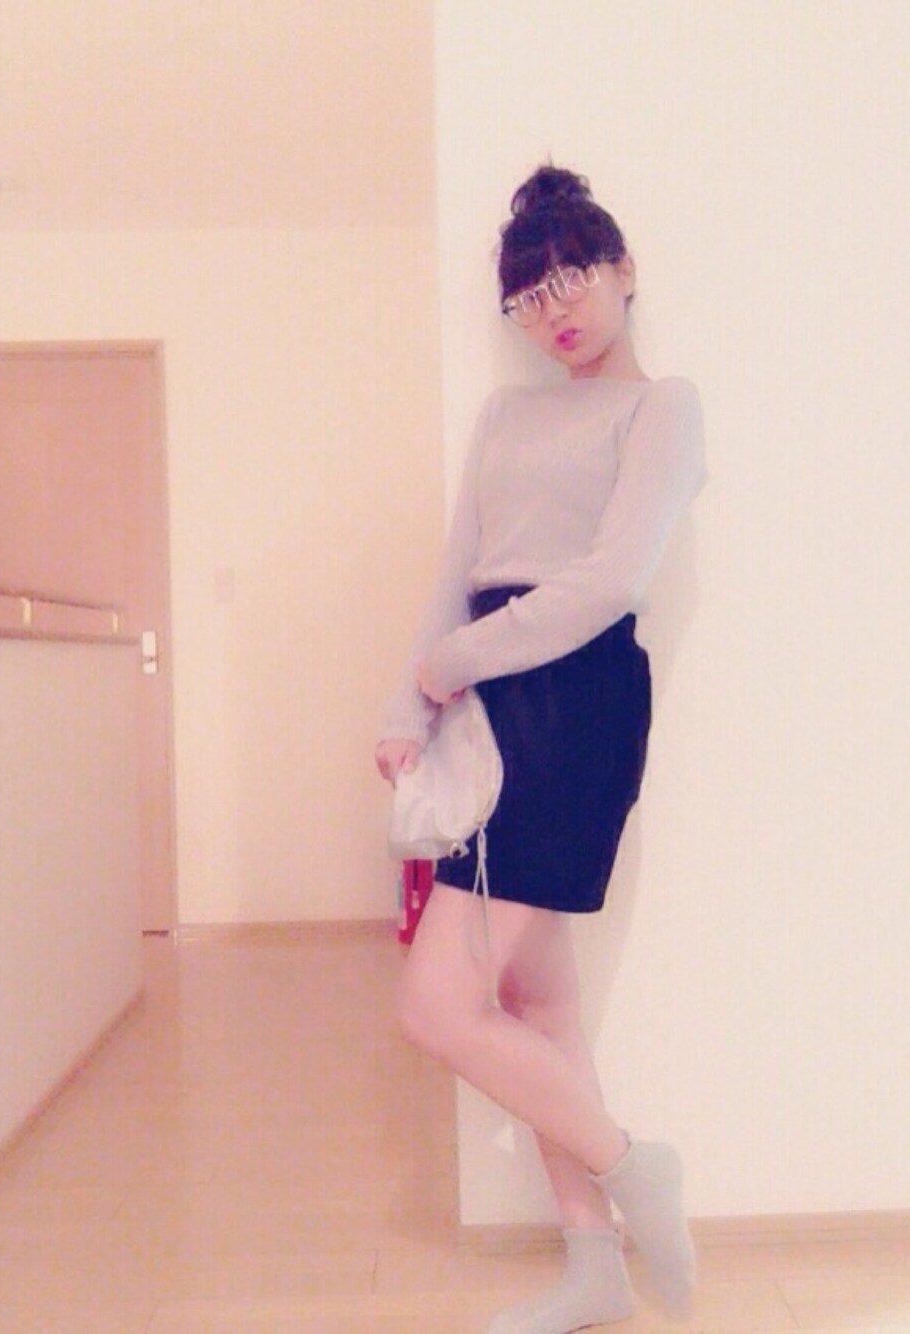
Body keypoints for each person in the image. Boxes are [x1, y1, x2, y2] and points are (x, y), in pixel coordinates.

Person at [375, 164, 706, 1332]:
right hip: (488, 701)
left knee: (437, 1006)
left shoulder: (661, 406)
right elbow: (458, 568)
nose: (550, 309)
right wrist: (408, 709)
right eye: (526, 295)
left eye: (569, 278)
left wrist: (456, 662)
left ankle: (631, 1164)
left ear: (621, 270)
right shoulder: (504, 416)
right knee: (535, 998)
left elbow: (609, 579)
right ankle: (594, 1267)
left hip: (575, 701)